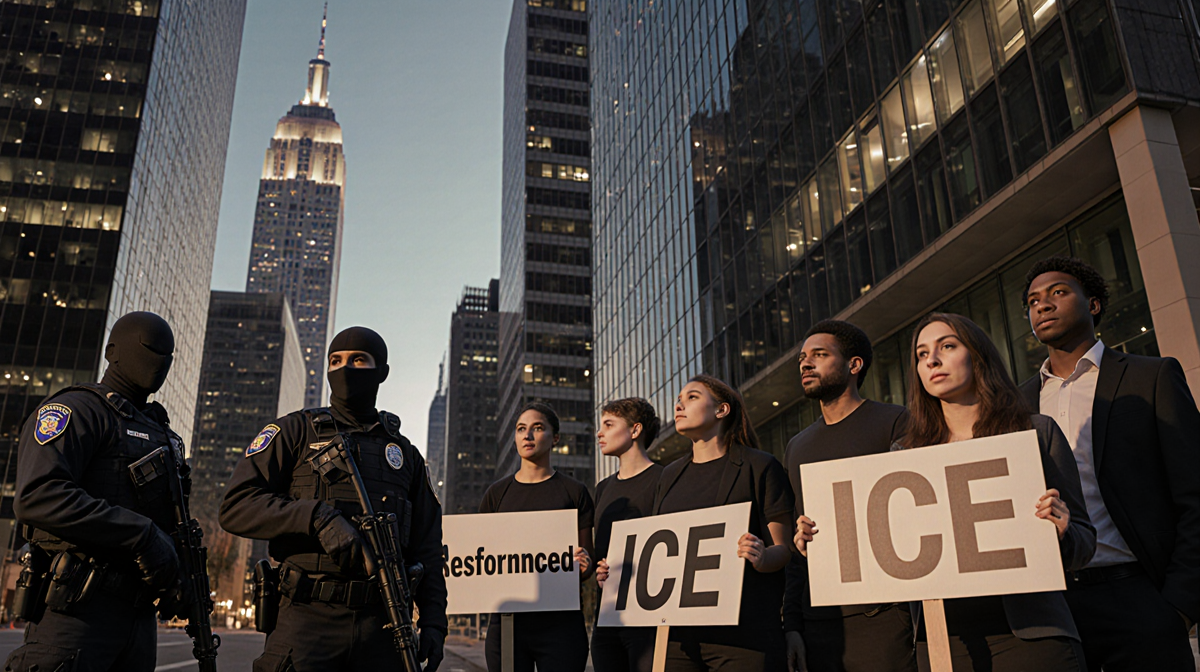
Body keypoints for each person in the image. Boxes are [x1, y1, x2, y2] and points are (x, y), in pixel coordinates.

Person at [798, 313, 1095, 672]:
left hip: (1033, 637)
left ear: (977, 355)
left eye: (947, 347)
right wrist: (823, 539)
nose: (932, 361)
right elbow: (888, 549)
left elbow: (1084, 545)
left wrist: (1062, 531)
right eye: (922, 355)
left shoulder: (1035, 432)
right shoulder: (903, 454)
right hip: (942, 644)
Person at [220, 326, 447, 672]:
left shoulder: (405, 456)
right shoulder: (295, 432)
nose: (344, 369)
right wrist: (315, 518)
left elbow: (427, 546)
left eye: (358, 360)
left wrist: (434, 622)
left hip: (383, 624)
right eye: (335, 361)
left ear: (381, 372)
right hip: (306, 619)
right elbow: (235, 506)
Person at [1019, 255, 1200, 671]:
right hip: (1056, 607)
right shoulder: (1018, 402)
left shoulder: (1150, 377)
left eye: (1058, 293)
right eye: (1033, 301)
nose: (1042, 305)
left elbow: (1195, 492)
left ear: (1094, 304)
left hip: (1139, 596)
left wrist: (1179, 606)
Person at [5, 312, 190, 672]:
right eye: (151, 349)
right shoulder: (77, 410)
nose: (159, 362)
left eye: (168, 355)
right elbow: (37, 495)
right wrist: (143, 536)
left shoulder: (163, 434)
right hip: (77, 608)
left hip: (139, 615)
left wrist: (178, 574)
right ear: (112, 351)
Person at [782, 320, 916, 672]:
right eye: (802, 358)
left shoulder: (895, 421)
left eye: (820, 355)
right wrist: (793, 625)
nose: (805, 364)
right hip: (820, 620)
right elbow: (797, 553)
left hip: (885, 614)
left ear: (854, 365)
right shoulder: (797, 446)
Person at [653, 374, 794, 672]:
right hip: (679, 637)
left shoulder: (760, 466)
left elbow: (784, 550)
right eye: (678, 400)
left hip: (744, 634)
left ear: (722, 410)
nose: (679, 405)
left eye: (691, 397)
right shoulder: (668, 476)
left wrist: (762, 556)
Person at [479, 402, 595, 672]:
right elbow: (482, 559)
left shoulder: (574, 492)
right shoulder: (496, 495)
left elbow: (586, 558)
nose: (527, 436)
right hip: (507, 624)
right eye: (521, 429)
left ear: (555, 438)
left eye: (537, 428)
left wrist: (585, 563)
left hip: (562, 624)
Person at [592, 397, 664, 672]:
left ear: (635, 430)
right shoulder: (602, 489)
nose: (600, 432)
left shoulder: (664, 479)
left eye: (609, 424)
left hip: (648, 618)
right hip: (607, 618)